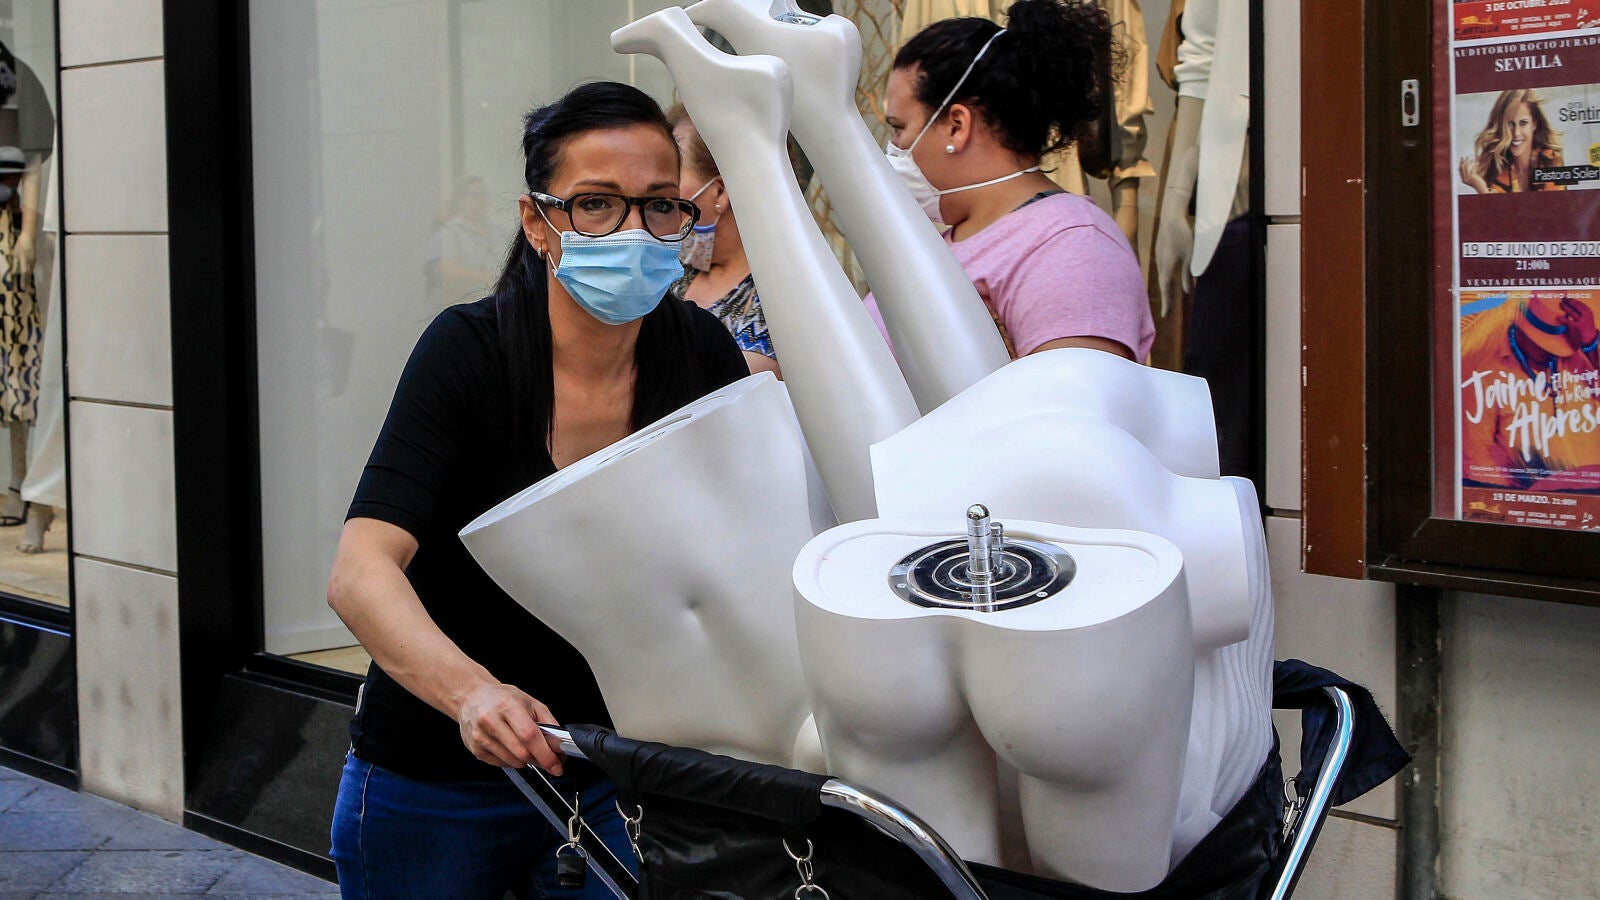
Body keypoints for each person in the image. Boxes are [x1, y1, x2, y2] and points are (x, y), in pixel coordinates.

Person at [325, 81, 749, 898]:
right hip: (435, 779)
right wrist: (473, 695)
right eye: (596, 204)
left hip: (621, 774)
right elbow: (361, 568)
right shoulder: (468, 351)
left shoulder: (701, 354)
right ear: (537, 221)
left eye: (660, 204)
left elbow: (739, 548)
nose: (633, 230)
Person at [868, 0, 1154, 362]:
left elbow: (1077, 394)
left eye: (899, 128)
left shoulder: (1072, 247)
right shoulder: (950, 240)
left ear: (956, 126)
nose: (893, 147)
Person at [665, 105, 780, 377]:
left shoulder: (780, 295)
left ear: (720, 192)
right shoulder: (670, 269)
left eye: (669, 182)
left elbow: (735, 387)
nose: (658, 200)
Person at [1459, 88, 1565, 194]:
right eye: (1510, 124)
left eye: (1523, 123)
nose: (1516, 133)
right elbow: (1495, 205)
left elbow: (1555, 204)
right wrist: (1479, 185)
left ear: (1534, 124)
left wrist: (1482, 190)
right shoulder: (1496, 167)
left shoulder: (1551, 159)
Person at [425, 174, 505, 307]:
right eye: (476, 195)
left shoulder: (498, 232)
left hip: (498, 305)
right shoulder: (449, 232)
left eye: (484, 194)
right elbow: (447, 274)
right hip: (463, 308)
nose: (482, 200)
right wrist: (485, 277)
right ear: (460, 200)